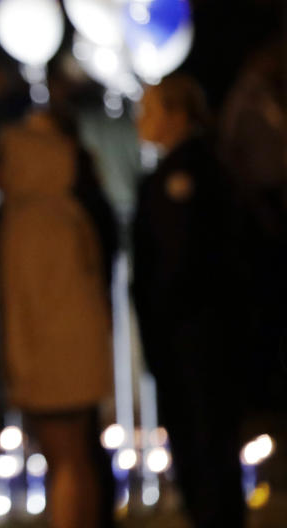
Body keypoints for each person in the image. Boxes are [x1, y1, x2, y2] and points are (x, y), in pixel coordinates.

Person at [0, 100, 113, 528]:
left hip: (49, 366)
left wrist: (17, 370)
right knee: (78, 460)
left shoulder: (25, 222)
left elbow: (24, 308)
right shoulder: (67, 213)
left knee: (64, 464)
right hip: (78, 361)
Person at [132, 74, 244, 528]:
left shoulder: (191, 171)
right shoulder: (184, 168)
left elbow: (181, 260)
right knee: (201, 442)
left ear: (177, 115)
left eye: (151, 110)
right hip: (187, 331)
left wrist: (164, 318)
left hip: (195, 334)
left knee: (205, 442)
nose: (142, 121)